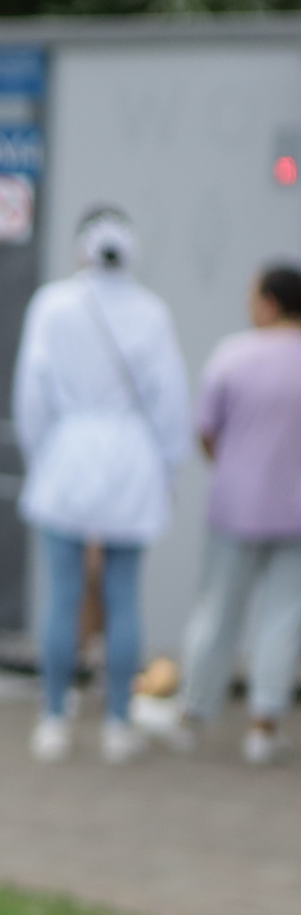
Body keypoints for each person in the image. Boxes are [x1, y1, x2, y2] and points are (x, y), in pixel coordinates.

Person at [13, 206, 191, 765]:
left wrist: (41, 454)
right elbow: (170, 401)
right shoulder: (152, 312)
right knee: (123, 596)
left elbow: (31, 394)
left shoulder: (53, 304)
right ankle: (117, 723)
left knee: (63, 595)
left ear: (82, 248)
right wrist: (168, 468)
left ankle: (54, 719)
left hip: (69, 450)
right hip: (132, 457)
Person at [164, 262, 301, 767]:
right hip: (296, 512)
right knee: (284, 619)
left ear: (268, 302)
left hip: (235, 506)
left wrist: (231, 465)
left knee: (217, 610)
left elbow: (205, 428)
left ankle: (193, 715)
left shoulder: (233, 355)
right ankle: (263, 726)